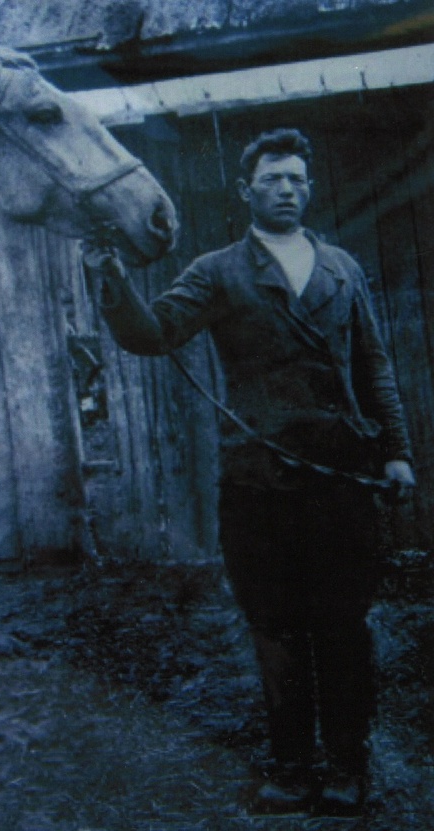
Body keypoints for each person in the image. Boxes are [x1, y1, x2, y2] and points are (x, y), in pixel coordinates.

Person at [82, 128, 416, 817]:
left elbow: (374, 367)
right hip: (258, 485)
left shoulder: (343, 270)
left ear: (309, 187)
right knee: (275, 628)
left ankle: (348, 767)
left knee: (344, 627)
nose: (287, 189)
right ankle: (292, 768)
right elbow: (152, 334)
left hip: (340, 481)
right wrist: (109, 278)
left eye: (297, 178)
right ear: (246, 191)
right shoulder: (217, 270)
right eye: (273, 180)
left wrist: (397, 450)